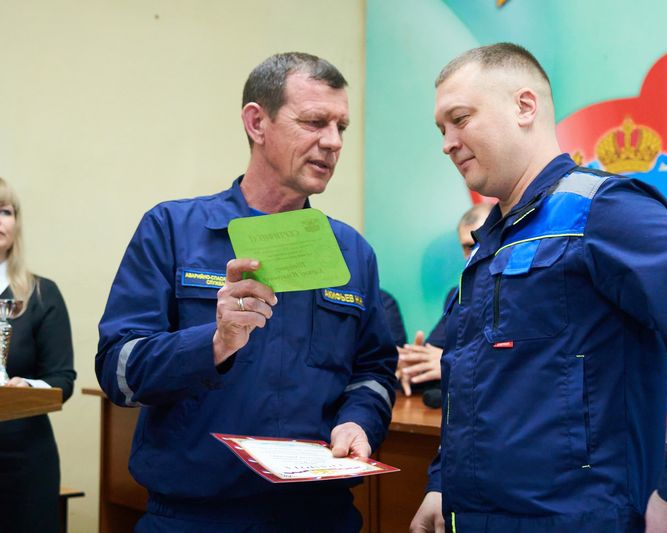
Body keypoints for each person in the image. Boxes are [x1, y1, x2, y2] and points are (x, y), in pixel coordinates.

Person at [410, 43, 667, 532]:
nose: (448, 143)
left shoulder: (604, 210)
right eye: (441, 129)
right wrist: (441, 484)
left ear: (524, 106)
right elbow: (475, 382)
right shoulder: (490, 243)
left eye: (460, 119)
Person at [96, 53, 397, 532]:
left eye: (341, 126)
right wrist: (214, 343)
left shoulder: (352, 252)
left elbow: (374, 370)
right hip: (194, 517)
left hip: (318, 517)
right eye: (314, 122)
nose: (333, 142)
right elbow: (119, 373)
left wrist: (359, 421)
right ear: (257, 122)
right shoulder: (172, 229)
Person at [0, 177, 76, 533]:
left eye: (5, 211)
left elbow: (63, 379)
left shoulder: (41, 294)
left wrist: (25, 388)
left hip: (23, 459)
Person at [397, 203, 492, 396]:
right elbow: (432, 356)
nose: (472, 254)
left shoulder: (522, 291)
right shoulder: (459, 295)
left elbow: (518, 365)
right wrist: (411, 366)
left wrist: (454, 363)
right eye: (467, 247)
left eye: (478, 243)